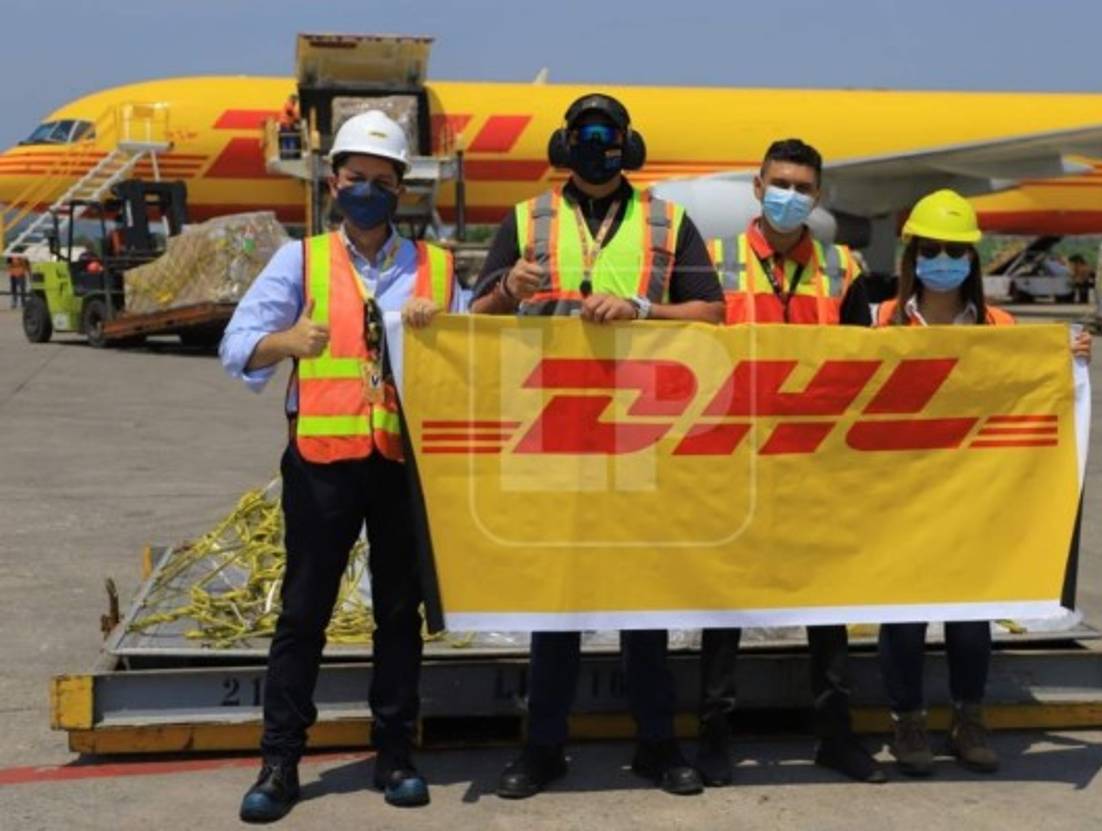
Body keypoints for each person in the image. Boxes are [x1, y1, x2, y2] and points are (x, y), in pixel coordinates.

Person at [471, 92, 724, 798]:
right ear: (565, 143)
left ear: (626, 145)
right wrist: (507, 290)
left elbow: (713, 311)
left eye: (605, 133)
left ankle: (657, 743)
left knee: (646, 603)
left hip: (644, 434)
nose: (594, 142)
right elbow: (473, 315)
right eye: (583, 132)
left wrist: (644, 308)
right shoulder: (526, 221)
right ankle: (543, 745)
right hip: (552, 432)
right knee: (557, 605)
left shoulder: (667, 222)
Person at [219, 110, 464, 823]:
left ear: (401, 189)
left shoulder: (435, 267)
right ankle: (279, 761)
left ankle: (395, 756)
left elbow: (476, 347)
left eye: (382, 182)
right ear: (335, 181)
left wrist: (442, 325)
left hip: (399, 464)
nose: (368, 191)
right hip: (321, 465)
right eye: (357, 179)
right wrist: (287, 339)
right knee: (303, 613)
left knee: (398, 613)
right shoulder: (298, 260)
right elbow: (237, 346)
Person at [874, 188, 1092, 776]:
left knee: (971, 619)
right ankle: (908, 723)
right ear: (913, 254)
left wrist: (1066, 356)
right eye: (932, 248)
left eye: (955, 250)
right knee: (903, 619)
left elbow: (1034, 390)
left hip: (974, 497)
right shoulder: (878, 323)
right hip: (903, 498)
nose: (942, 260)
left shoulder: (1001, 325)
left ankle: (970, 718)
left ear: (971, 259)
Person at [698, 138, 882, 787]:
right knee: (723, 612)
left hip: (815, 462)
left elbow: (867, 362)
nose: (790, 196)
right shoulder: (713, 262)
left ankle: (837, 737)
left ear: (818, 196)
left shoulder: (843, 267)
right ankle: (713, 740)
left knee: (828, 608)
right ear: (756, 186)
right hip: (735, 461)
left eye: (803, 187)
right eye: (780, 182)